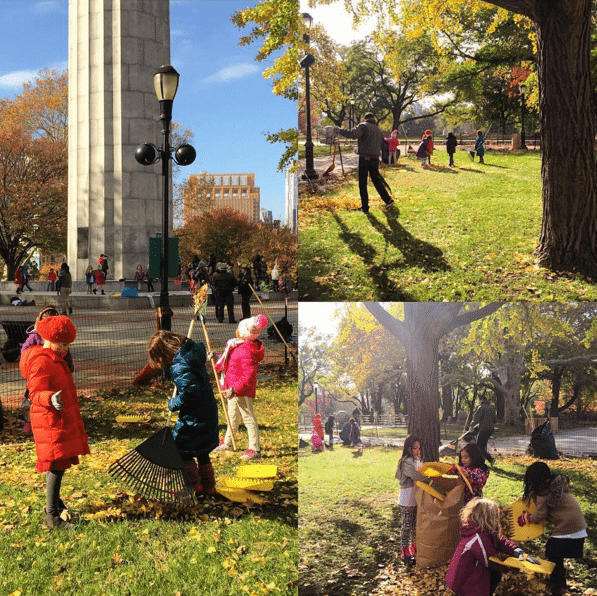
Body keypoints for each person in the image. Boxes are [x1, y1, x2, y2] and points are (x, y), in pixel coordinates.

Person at [19, 315, 90, 529]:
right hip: (50, 421)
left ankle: (57, 506)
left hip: (58, 419)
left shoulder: (55, 359)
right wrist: (49, 398)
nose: (67, 348)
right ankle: (52, 517)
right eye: (64, 344)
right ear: (51, 340)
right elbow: (35, 392)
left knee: (59, 463)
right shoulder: (41, 361)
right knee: (56, 465)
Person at [147, 330, 219, 497]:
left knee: (181, 450)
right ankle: (209, 487)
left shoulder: (180, 366)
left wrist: (173, 403)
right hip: (208, 411)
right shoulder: (192, 355)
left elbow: (190, 394)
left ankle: (194, 486)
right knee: (202, 451)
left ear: (164, 353)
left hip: (194, 416)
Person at [518, 462, 587, 596]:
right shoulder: (556, 486)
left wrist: (526, 518)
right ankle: (559, 585)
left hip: (568, 528)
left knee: (552, 553)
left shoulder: (543, 493)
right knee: (556, 555)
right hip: (578, 527)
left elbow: (540, 515)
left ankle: (556, 586)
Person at [447, 498, 534, 596]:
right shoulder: (477, 538)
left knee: (496, 575)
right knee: (494, 575)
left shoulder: (486, 531)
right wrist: (512, 568)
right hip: (464, 580)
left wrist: (517, 551)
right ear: (487, 517)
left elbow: (501, 541)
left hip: (470, 574)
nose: (498, 518)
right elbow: (490, 560)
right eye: (495, 515)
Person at [213, 314, 267, 461]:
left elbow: (248, 376)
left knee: (248, 418)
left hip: (241, 390)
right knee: (232, 416)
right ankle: (228, 443)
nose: (236, 330)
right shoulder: (238, 345)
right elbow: (230, 361)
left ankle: (254, 448)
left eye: (239, 328)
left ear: (244, 332)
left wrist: (235, 389)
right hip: (232, 389)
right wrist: (215, 358)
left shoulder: (248, 351)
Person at [21, 307, 74, 435]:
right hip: (38, 373)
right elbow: (25, 351)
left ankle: (57, 421)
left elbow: (67, 356)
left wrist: (68, 368)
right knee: (32, 399)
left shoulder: (60, 340)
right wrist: (34, 362)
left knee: (56, 399)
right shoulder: (35, 336)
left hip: (56, 374)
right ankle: (29, 421)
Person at [335, 113, 395, 213]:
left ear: (365, 119)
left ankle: (365, 207)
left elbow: (352, 134)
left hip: (365, 158)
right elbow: (382, 145)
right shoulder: (378, 130)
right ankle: (388, 200)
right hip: (375, 159)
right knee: (376, 181)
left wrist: (339, 130)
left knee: (362, 183)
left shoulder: (363, 126)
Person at [395, 435, 435, 564]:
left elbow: (422, 472)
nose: (417, 451)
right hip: (407, 499)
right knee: (406, 526)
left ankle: (414, 546)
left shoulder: (417, 461)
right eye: (414, 448)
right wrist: (431, 479)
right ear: (408, 449)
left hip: (416, 498)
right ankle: (404, 551)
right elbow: (418, 476)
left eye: (419, 448)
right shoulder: (406, 462)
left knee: (414, 526)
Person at [472, 396, 497, 465]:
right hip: (490, 430)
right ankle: (482, 461)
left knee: (479, 446)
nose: (478, 401)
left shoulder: (481, 408)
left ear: (481, 400)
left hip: (484, 429)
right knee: (483, 446)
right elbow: (495, 420)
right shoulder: (492, 408)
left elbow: (476, 419)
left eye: (479, 400)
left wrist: (471, 426)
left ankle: (490, 459)